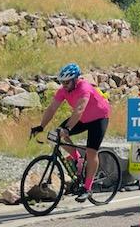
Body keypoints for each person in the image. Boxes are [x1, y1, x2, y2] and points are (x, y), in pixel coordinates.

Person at [30, 63, 110, 203]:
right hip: (84, 118)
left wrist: (67, 129)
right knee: (55, 135)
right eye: (62, 82)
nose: (64, 85)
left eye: (67, 82)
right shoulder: (63, 91)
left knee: (91, 152)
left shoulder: (84, 87)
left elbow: (79, 109)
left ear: (75, 79)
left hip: (99, 118)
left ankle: (87, 188)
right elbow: (52, 108)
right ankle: (77, 158)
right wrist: (41, 126)